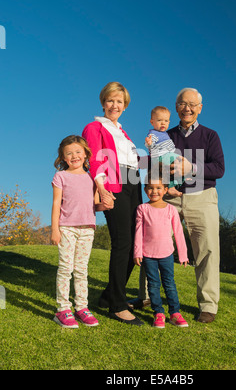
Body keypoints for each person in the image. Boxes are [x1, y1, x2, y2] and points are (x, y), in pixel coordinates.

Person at [135, 88, 225, 324]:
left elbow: (219, 169)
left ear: (200, 108)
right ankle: (146, 297)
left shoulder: (210, 136)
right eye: (183, 104)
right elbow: (154, 166)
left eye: (192, 104)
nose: (188, 108)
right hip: (169, 198)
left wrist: (192, 169)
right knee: (150, 242)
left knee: (206, 250)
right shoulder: (165, 134)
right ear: (176, 108)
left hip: (202, 196)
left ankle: (207, 305)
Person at [82, 82, 144, 326]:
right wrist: (101, 188)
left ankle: (109, 296)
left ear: (125, 106)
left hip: (133, 183)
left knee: (135, 242)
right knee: (123, 242)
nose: (115, 105)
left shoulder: (124, 133)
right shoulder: (94, 126)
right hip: (113, 185)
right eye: (110, 100)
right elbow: (95, 159)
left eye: (119, 102)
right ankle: (117, 306)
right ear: (103, 103)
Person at [51, 135, 111, 328]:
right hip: (67, 228)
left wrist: (105, 205)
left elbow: (94, 205)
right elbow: (56, 204)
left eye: (78, 152)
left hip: (87, 229)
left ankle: (82, 308)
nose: (74, 156)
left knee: (81, 270)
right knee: (65, 268)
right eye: (69, 153)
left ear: (85, 154)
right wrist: (55, 230)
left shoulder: (91, 178)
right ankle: (62, 309)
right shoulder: (61, 176)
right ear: (63, 158)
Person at [134, 169, 189, 328]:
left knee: (169, 283)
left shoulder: (171, 210)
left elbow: (178, 233)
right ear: (145, 190)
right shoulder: (142, 209)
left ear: (165, 190)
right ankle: (158, 313)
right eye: (150, 188)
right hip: (148, 255)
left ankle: (175, 313)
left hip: (167, 255)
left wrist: (183, 255)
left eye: (158, 188)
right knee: (153, 284)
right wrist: (137, 252)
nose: (154, 191)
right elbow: (138, 232)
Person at [145, 106, 185, 193]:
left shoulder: (165, 133)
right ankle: (170, 187)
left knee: (181, 162)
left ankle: (181, 179)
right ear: (152, 122)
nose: (163, 123)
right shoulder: (154, 133)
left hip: (168, 154)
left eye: (166, 121)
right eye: (159, 120)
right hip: (161, 156)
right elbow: (151, 144)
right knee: (168, 170)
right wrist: (149, 143)